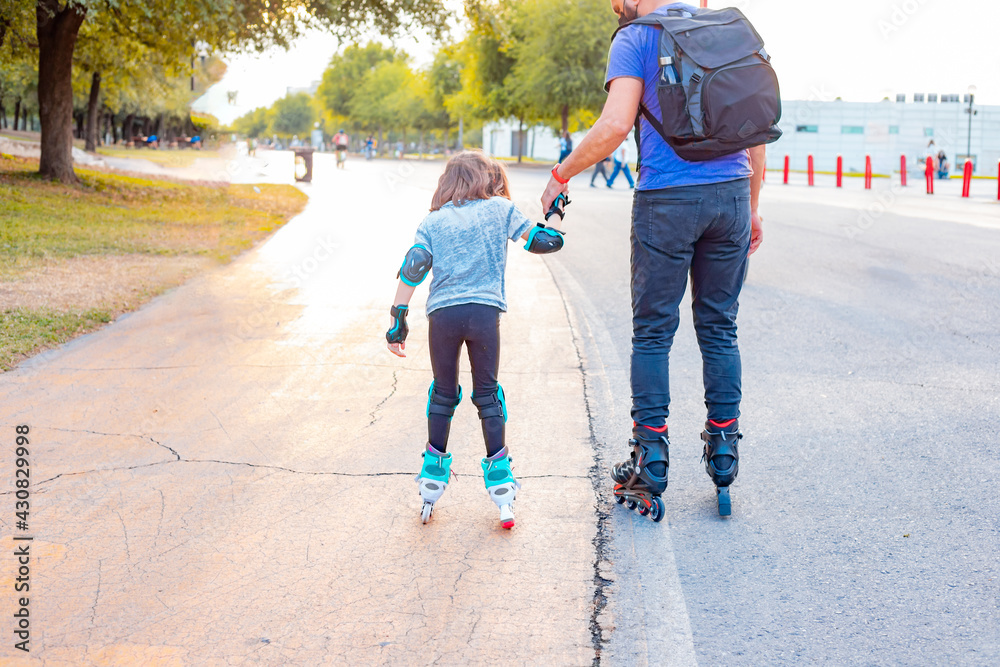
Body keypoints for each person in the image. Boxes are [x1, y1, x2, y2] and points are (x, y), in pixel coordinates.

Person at [540, 0, 766, 518]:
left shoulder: (636, 37)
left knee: (653, 332)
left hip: (667, 199)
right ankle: (724, 448)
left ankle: (652, 459)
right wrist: (751, 207)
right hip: (731, 196)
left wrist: (562, 173)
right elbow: (756, 132)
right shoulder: (726, 29)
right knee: (719, 328)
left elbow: (617, 124)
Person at [385, 151, 566, 529]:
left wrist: (397, 321)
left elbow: (414, 267)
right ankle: (501, 485)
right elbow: (545, 242)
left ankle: (433, 477)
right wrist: (556, 212)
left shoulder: (432, 221)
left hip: (443, 316)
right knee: (487, 394)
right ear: (487, 177)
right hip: (484, 315)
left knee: (444, 393)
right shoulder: (500, 209)